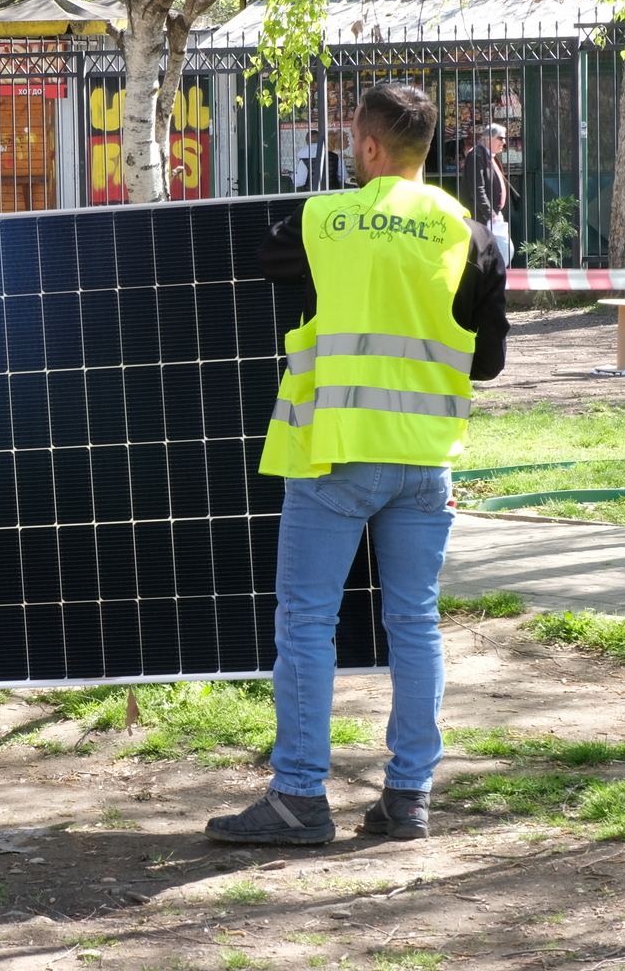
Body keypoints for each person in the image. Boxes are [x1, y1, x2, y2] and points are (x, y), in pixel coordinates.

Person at [204, 82, 508, 845]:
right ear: (425, 149)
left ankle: (299, 798)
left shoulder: (318, 221)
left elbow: (260, 267)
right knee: (414, 624)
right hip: (425, 461)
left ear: (368, 147)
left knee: (306, 623)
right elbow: (490, 362)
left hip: (334, 458)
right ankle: (407, 797)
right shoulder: (469, 233)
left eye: (351, 140)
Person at [462, 123, 512, 266]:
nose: (504, 142)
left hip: (493, 216)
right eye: (501, 138)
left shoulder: (490, 156)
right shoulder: (477, 156)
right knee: (502, 252)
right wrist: (489, 213)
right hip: (484, 217)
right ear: (489, 139)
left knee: (503, 252)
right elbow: (477, 188)